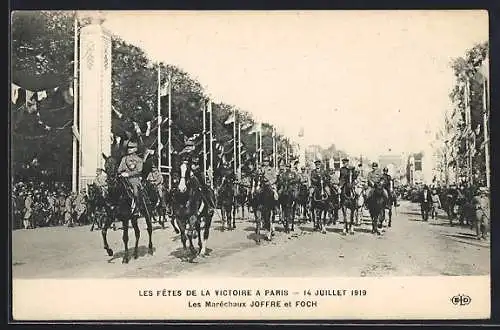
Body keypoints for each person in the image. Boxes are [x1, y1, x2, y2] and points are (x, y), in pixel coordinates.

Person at [118, 141, 144, 215]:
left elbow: (139, 171)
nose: (129, 149)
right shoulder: (124, 159)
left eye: (131, 148)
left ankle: (137, 208)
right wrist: (121, 173)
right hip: (124, 179)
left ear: (136, 149)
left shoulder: (139, 159)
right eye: (128, 147)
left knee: (135, 192)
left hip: (134, 179)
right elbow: (119, 169)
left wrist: (128, 174)